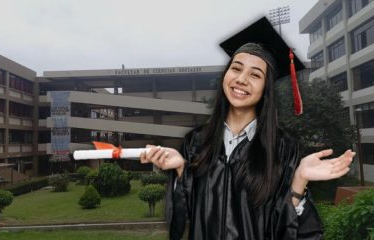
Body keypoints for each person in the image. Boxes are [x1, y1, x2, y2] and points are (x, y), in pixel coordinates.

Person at [140, 17, 355, 240]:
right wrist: (182, 170)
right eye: (236, 68)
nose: (241, 79)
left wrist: (299, 180)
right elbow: (188, 216)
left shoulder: (282, 148)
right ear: (226, 75)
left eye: (255, 75)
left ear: (266, 88)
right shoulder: (196, 141)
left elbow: (285, 228)